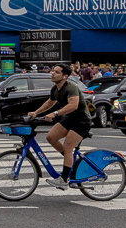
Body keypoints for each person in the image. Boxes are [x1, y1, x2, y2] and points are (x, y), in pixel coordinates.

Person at [27, 62, 93, 190]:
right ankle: (70, 161)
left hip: (81, 120)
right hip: (69, 119)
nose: (53, 73)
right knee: (51, 137)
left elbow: (73, 105)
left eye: (57, 72)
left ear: (65, 76)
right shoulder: (55, 89)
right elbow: (49, 102)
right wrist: (36, 113)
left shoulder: (71, 88)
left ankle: (64, 180)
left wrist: (55, 113)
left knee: (68, 146)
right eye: (53, 71)